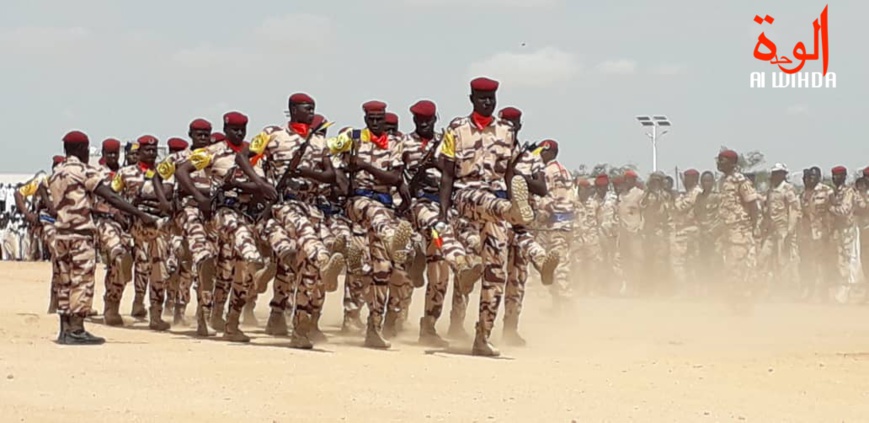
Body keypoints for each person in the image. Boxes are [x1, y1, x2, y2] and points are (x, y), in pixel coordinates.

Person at [438, 77, 533, 356]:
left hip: (496, 207)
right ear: (472, 99)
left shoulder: (506, 131)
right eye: (482, 98)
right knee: (488, 205)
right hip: (466, 195)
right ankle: (512, 209)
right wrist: (443, 214)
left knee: (496, 272)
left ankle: (483, 336)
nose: (487, 103)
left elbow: (510, 174)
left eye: (491, 99)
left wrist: (514, 201)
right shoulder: (456, 128)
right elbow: (446, 173)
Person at [49, 130, 156, 345]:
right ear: (81, 150)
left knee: (64, 280)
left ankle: (65, 329)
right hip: (79, 235)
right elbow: (110, 196)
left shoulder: (56, 172)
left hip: (60, 233)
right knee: (81, 281)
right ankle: (77, 330)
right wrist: (140, 214)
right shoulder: (82, 171)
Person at [329, 100, 413, 349]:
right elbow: (333, 164)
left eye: (380, 118)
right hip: (359, 202)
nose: (376, 123)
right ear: (365, 118)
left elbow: (396, 178)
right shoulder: (351, 139)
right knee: (375, 215)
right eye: (372, 118)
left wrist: (365, 166)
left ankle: (374, 328)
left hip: (385, 207)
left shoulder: (396, 144)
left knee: (382, 269)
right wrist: (345, 187)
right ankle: (390, 238)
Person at [716, 149, 759, 312]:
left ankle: (745, 303)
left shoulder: (741, 181)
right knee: (730, 267)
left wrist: (753, 227)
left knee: (741, 267)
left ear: (732, 163)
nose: (719, 163)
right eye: (718, 160)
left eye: (722, 160)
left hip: (740, 231)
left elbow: (753, 205)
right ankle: (734, 301)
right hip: (727, 230)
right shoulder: (722, 181)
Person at [829, 166, 863, 302]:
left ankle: (851, 291)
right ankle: (844, 291)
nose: (834, 179)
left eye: (837, 176)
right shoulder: (836, 192)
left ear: (843, 176)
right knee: (841, 260)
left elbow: (844, 210)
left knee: (850, 260)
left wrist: (829, 208)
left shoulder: (848, 191)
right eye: (833, 176)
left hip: (848, 229)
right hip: (840, 230)